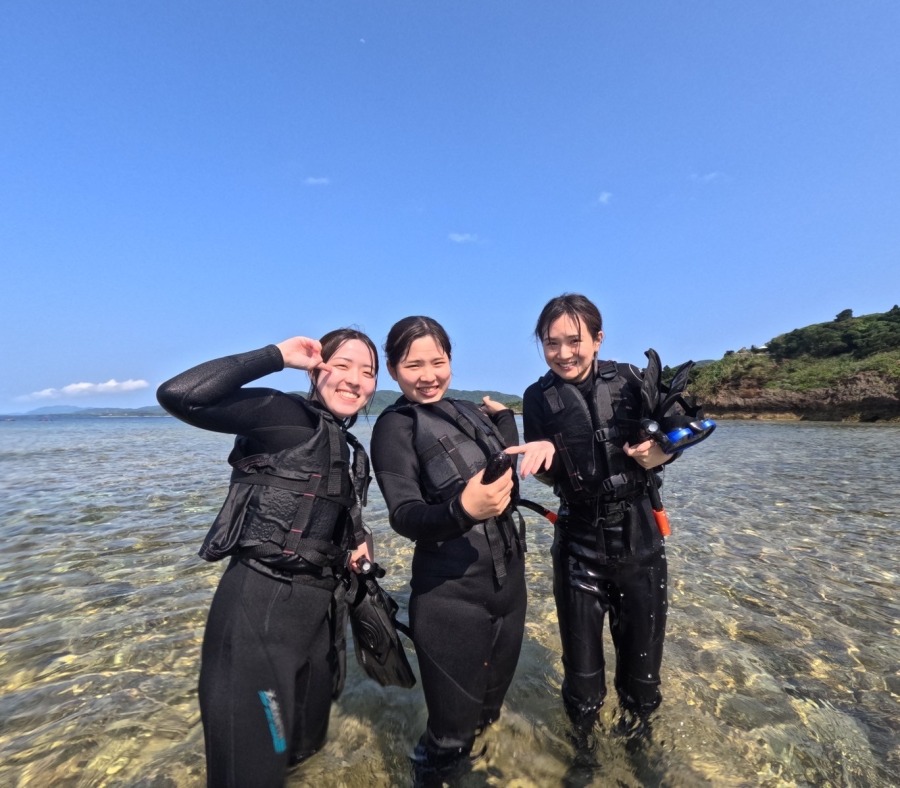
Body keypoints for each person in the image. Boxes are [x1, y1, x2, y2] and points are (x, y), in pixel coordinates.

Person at [157, 330, 378, 787]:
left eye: (368, 371)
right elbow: (180, 395)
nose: (356, 380)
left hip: (319, 624)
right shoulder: (284, 415)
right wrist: (275, 356)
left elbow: (315, 507)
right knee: (250, 775)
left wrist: (355, 543)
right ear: (316, 369)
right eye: (342, 365)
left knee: (301, 757)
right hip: (259, 611)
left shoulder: (345, 445)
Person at [370, 316, 554, 786]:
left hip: (509, 588)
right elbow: (404, 514)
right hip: (450, 598)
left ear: (451, 360)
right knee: (449, 738)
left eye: (439, 361)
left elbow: (500, 464)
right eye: (413, 365)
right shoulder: (395, 426)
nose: (428, 374)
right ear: (393, 370)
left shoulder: (470, 411)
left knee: (487, 715)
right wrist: (462, 510)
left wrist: (508, 422)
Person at [522, 293, 675, 744]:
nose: (564, 353)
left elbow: (673, 438)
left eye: (574, 340)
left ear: (598, 338)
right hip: (578, 543)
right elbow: (547, 474)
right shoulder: (537, 398)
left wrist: (662, 451)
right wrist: (545, 461)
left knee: (643, 677)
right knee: (583, 678)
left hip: (640, 537)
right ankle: (583, 750)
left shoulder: (630, 380)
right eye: (551, 343)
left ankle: (641, 741)